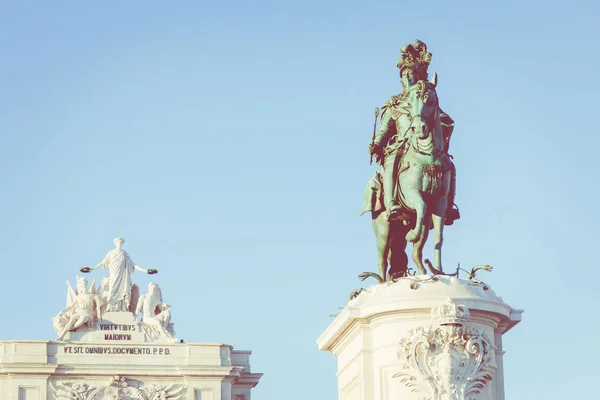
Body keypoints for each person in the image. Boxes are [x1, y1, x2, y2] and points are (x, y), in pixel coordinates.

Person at [84, 238, 157, 312]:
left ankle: (122, 308)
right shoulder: (111, 253)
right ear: (115, 243)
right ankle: (110, 307)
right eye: (118, 242)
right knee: (112, 290)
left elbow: (133, 265)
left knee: (123, 292)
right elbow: (103, 263)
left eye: (121, 242)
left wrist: (145, 270)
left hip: (123, 277)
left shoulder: (125, 254)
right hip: (114, 275)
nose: (119, 243)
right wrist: (92, 268)